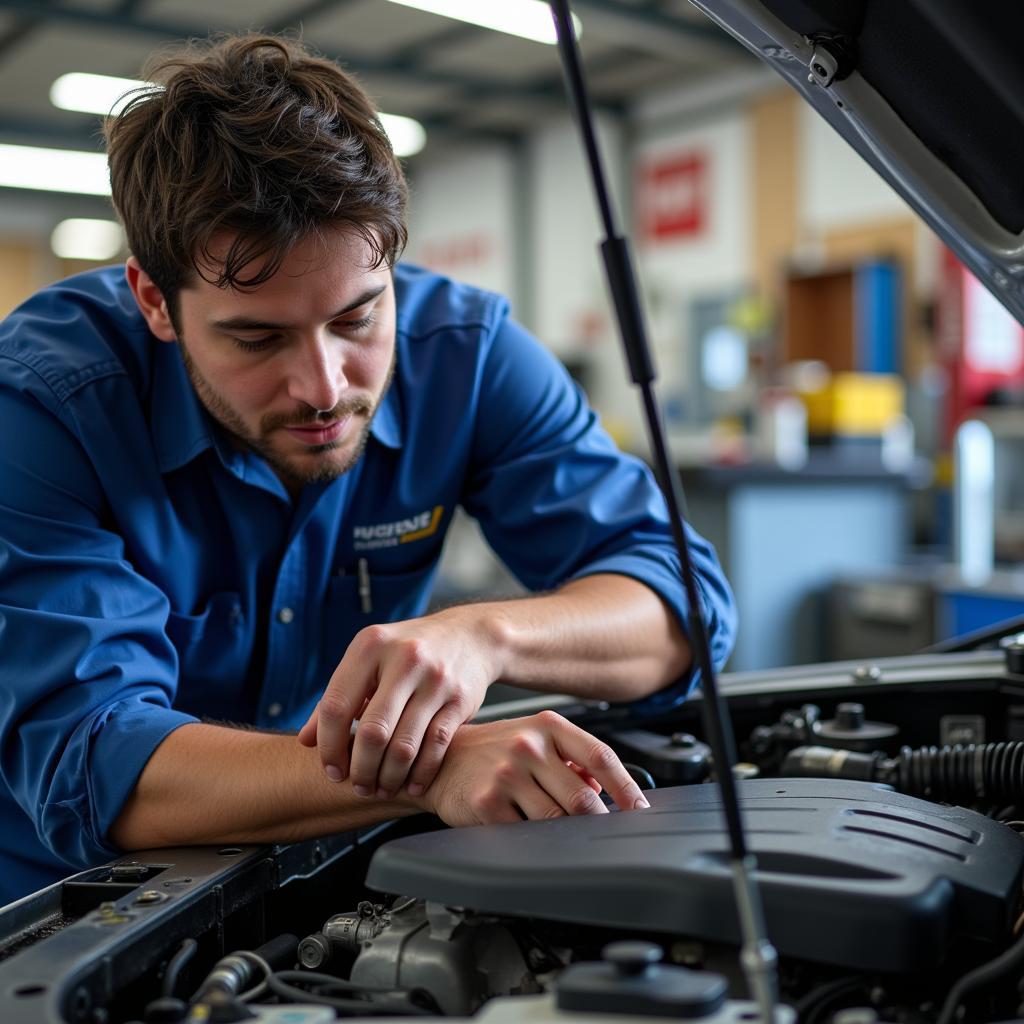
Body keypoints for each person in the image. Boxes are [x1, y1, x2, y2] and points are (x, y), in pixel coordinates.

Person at [0, 35, 736, 905]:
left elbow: (685, 607)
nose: (324, 386)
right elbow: (93, 760)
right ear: (155, 301)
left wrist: (486, 635)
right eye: (256, 337)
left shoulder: (467, 352)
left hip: (311, 864)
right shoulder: (42, 405)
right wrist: (424, 772)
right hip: (67, 906)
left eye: (358, 317)